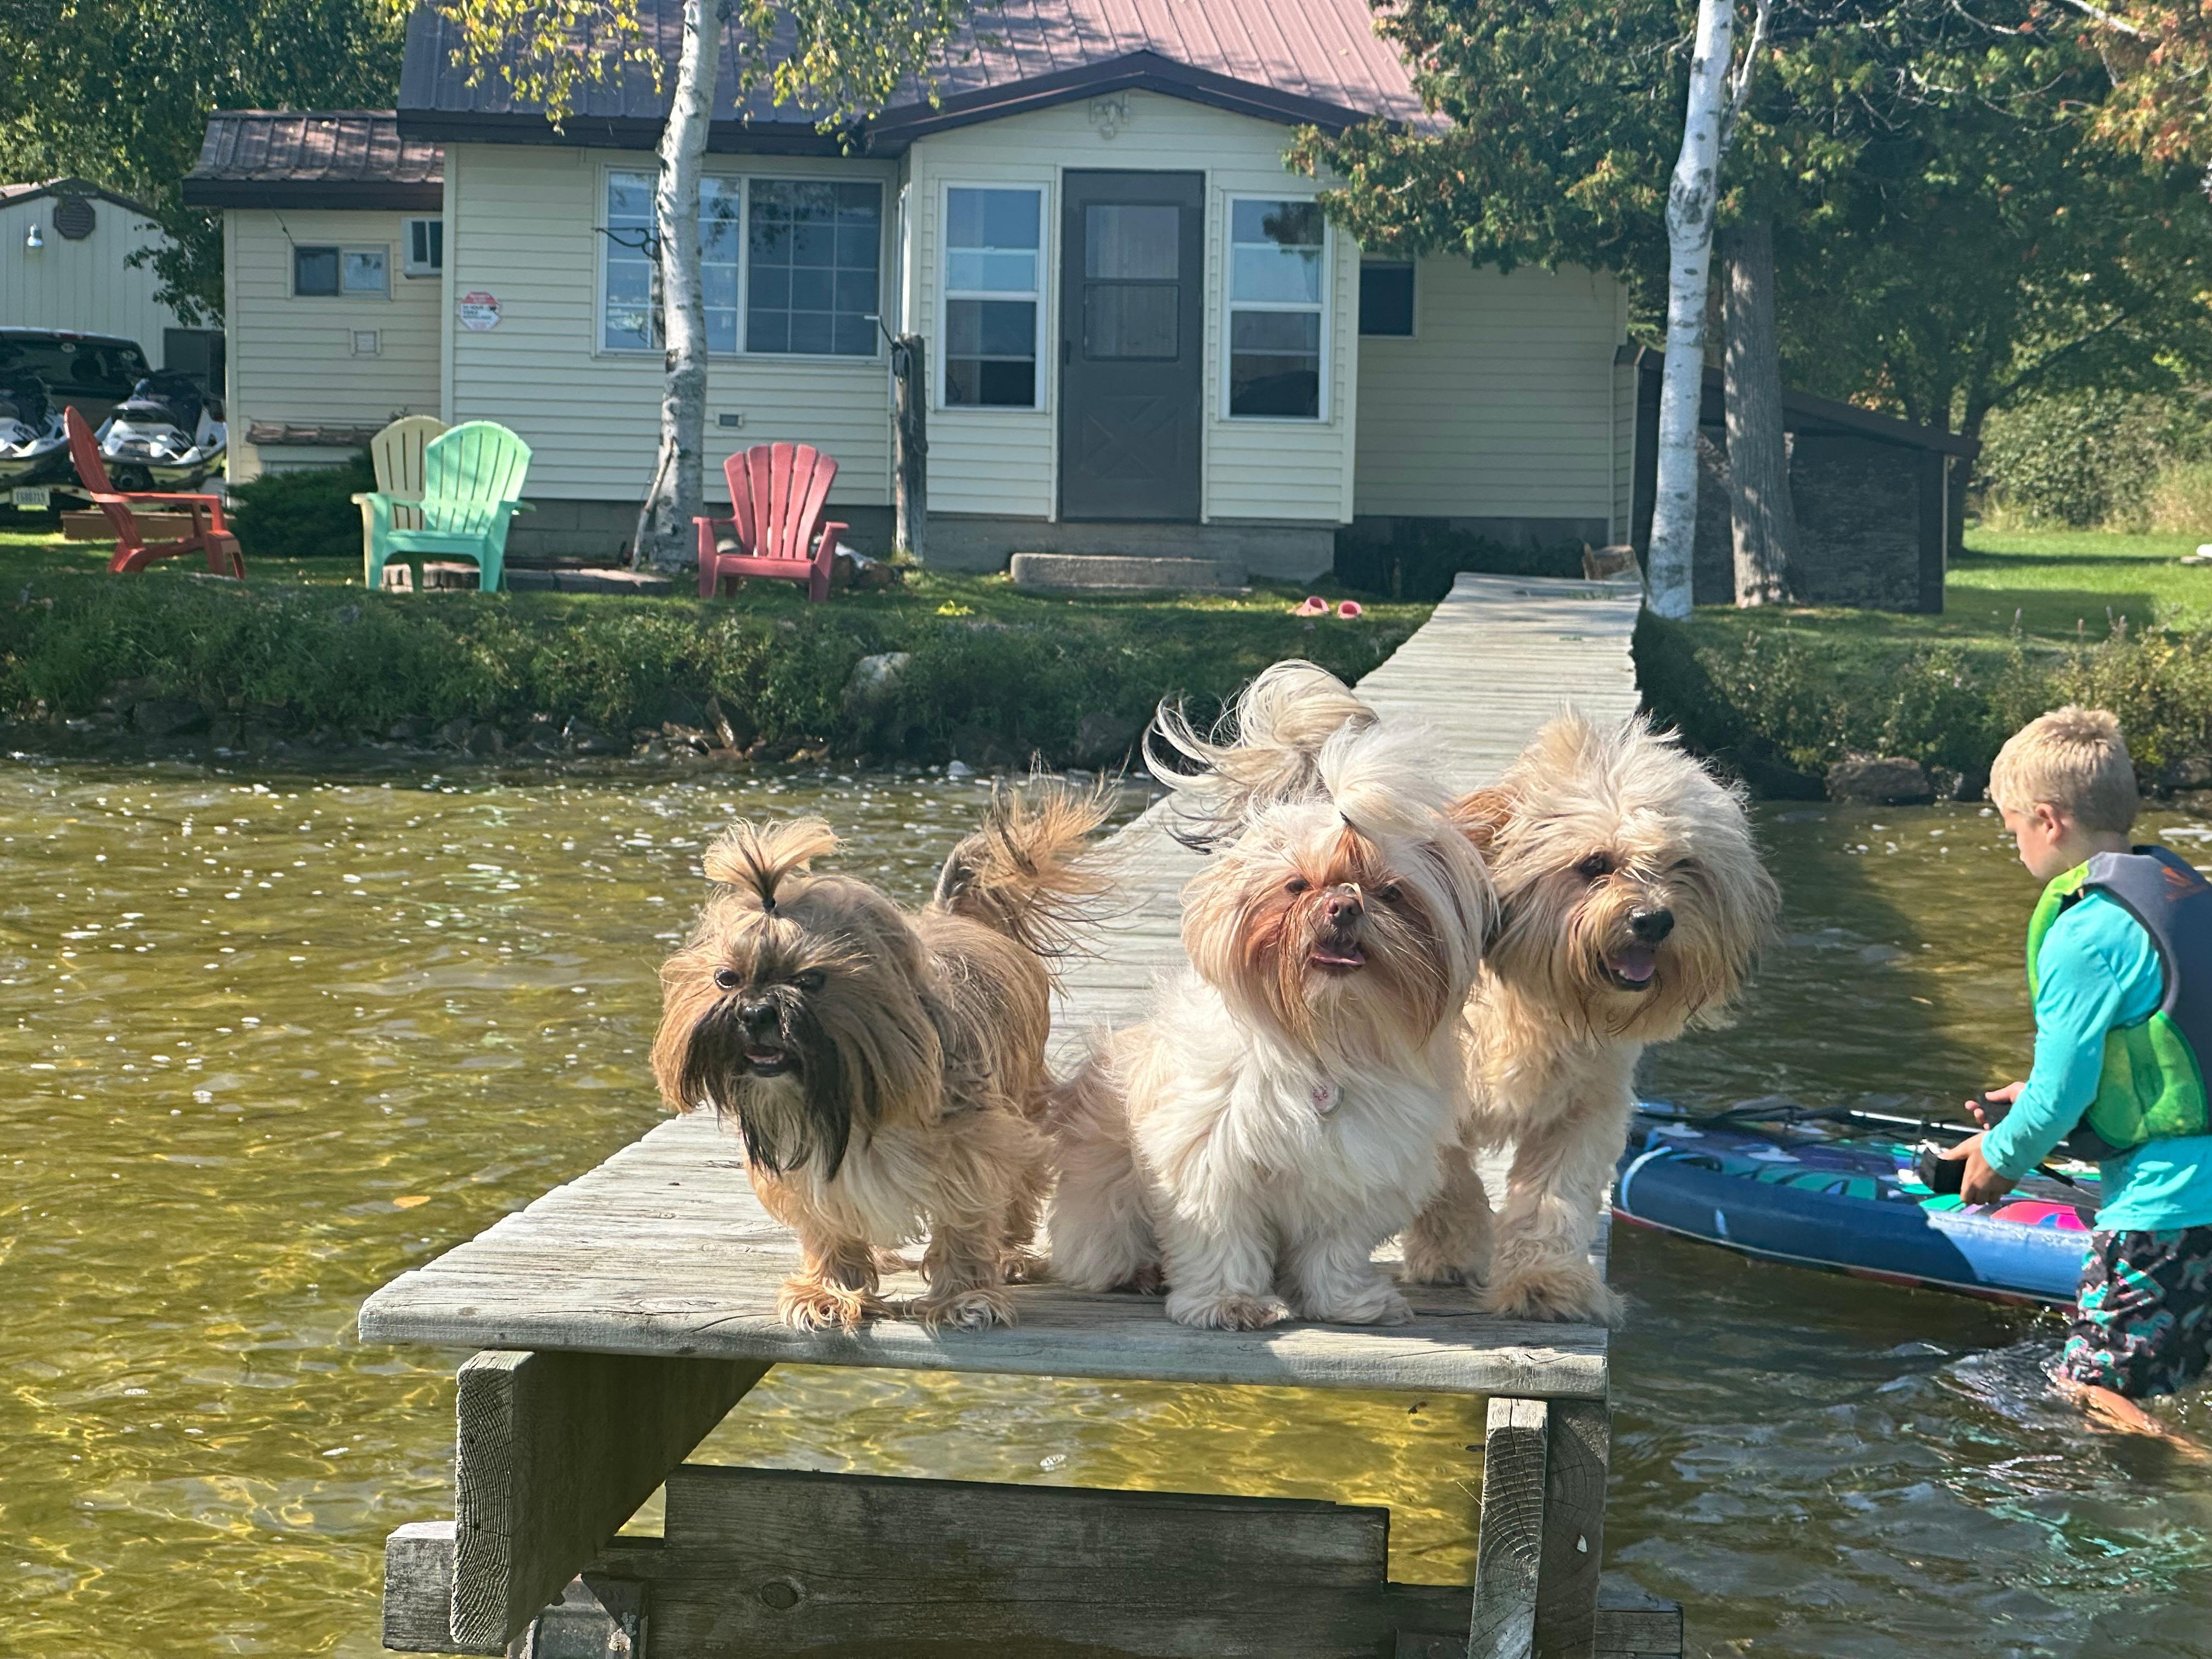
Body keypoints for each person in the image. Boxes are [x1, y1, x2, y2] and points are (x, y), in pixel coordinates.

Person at [1942, 706, 2212, 1440]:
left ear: (2049, 821)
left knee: (2087, 1387)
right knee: (2172, 1375)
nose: (2017, 847)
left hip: (2161, 1210)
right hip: (2204, 1198)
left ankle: (2193, 1481)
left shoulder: (2085, 933)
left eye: (2013, 831)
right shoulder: (2186, 894)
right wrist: (2032, 1102)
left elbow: (2062, 1096)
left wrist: (1997, 1162)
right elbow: (2173, 1043)